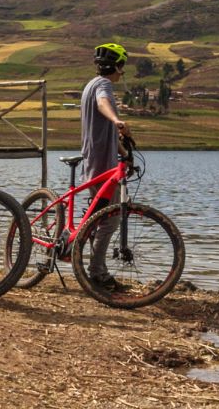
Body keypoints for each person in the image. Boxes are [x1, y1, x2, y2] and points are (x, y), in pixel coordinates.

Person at [80, 42, 130, 288]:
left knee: (99, 217)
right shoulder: (103, 85)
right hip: (101, 164)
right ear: (117, 66)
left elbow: (104, 129)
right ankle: (96, 272)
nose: (123, 72)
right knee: (110, 218)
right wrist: (117, 119)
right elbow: (103, 104)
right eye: (123, 67)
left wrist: (123, 153)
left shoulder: (90, 84)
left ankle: (91, 266)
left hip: (97, 160)